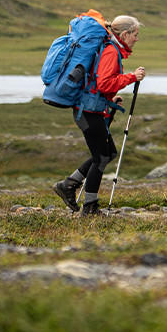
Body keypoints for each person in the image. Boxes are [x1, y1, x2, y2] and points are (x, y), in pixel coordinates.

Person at [52, 15, 146, 216]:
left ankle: (69, 184)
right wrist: (131, 77)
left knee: (108, 153)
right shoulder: (111, 51)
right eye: (135, 35)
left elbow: (100, 84)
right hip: (88, 111)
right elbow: (104, 83)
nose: (137, 39)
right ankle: (89, 207)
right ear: (125, 34)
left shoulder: (110, 49)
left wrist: (111, 99)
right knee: (101, 156)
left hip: (90, 109)